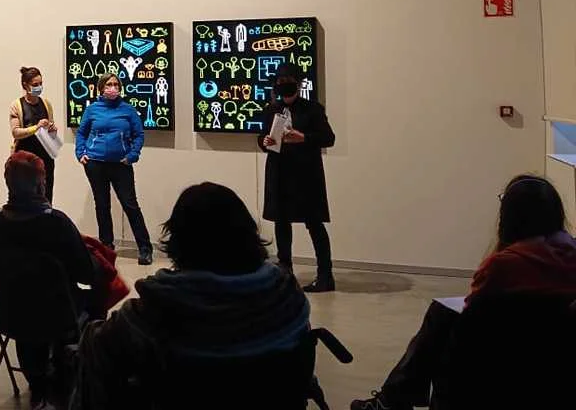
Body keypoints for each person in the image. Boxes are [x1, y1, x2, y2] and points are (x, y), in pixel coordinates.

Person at [71, 182, 310, 408]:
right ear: (248, 233)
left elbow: (97, 352)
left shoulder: (150, 313)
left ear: (178, 241)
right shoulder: (285, 294)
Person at [351, 174, 576, 410]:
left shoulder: (502, 267)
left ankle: (391, 400)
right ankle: (392, 398)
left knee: (442, 315)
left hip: (493, 367)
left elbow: (474, 321)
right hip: (557, 374)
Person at [0, 151, 97, 410]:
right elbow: (86, 274)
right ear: (40, 184)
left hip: (10, 314)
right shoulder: (57, 224)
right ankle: (67, 372)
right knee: (96, 298)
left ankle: (37, 383)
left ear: (8, 183)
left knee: (30, 314)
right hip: (57, 315)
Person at [259, 64, 337, 292]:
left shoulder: (313, 109)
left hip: (306, 175)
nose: (284, 86)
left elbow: (328, 138)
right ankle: (285, 271)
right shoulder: (272, 109)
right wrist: (264, 141)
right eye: (280, 82)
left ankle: (325, 275)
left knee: (314, 223)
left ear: (299, 84)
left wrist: (303, 138)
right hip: (279, 172)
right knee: (281, 222)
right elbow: (262, 136)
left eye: (289, 81)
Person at [75, 72, 153, 265]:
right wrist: (80, 153)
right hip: (95, 163)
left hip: (121, 165)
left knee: (130, 204)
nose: (113, 88)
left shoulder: (128, 110)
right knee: (102, 205)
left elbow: (139, 134)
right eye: (109, 84)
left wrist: (133, 155)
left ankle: (145, 248)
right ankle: (106, 246)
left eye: (116, 85)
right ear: (101, 88)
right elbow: (82, 133)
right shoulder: (92, 110)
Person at [9, 66, 59, 202]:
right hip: (24, 159)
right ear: (25, 85)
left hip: (45, 158)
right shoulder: (17, 105)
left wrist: (52, 129)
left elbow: (50, 129)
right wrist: (36, 128)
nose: (39, 87)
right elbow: (16, 132)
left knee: (46, 194)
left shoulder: (46, 104)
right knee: (24, 196)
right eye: (35, 84)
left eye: (41, 84)